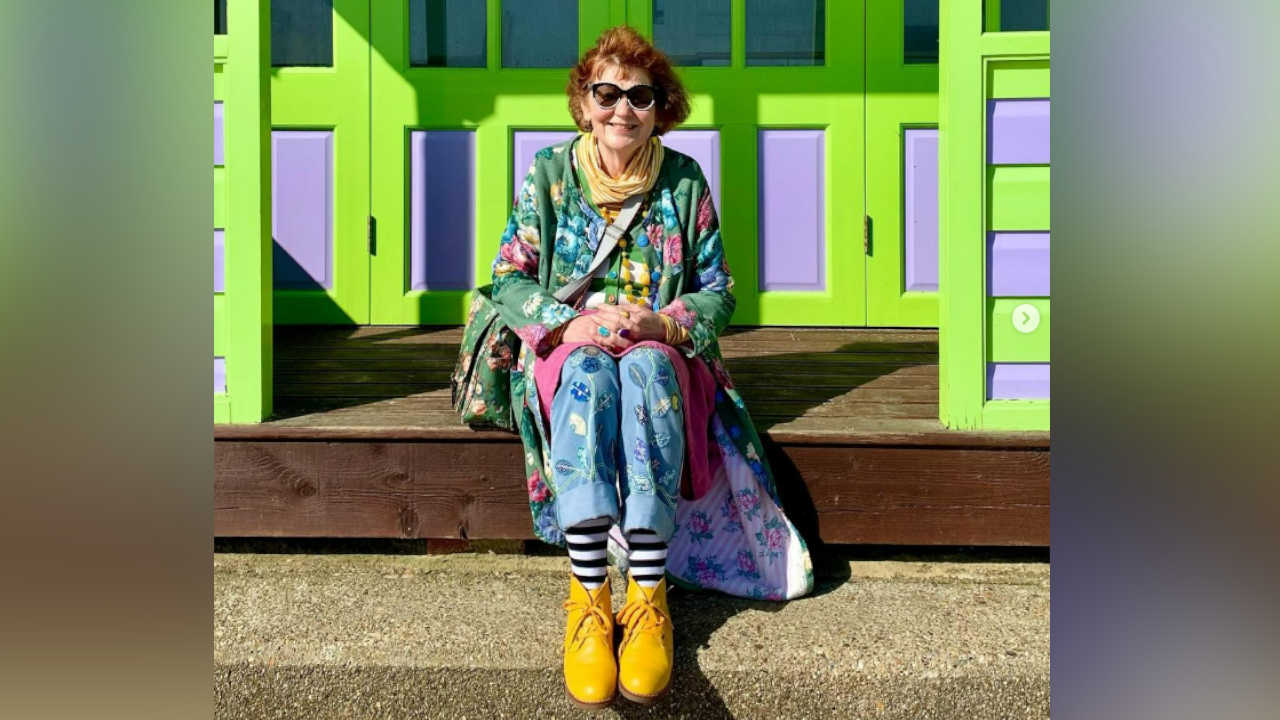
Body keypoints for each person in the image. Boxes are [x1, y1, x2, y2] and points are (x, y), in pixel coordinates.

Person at [483, 25, 814, 709]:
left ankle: (648, 598)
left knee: (647, 371)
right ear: (583, 102)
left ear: (662, 107)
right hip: (568, 348)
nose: (622, 110)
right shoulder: (548, 173)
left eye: (641, 96)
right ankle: (589, 601)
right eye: (607, 93)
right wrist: (570, 322)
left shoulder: (685, 181)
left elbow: (719, 290)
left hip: (659, 350)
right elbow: (507, 283)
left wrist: (659, 323)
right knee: (588, 376)